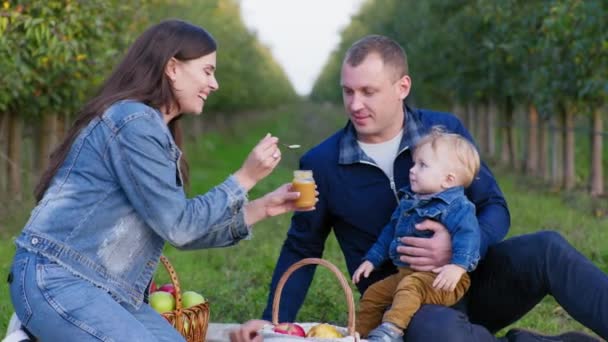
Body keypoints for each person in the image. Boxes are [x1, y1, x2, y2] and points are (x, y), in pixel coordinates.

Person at [262, 34, 608, 341]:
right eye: (348, 91)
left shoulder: (444, 131)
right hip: (405, 302)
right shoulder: (322, 163)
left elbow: (493, 206)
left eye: (368, 92)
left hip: (470, 277)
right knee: (436, 331)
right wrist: (270, 327)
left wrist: (458, 251)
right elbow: (302, 248)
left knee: (547, 248)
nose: (355, 104)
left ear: (402, 87)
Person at [7, 20, 314, 342]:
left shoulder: (152, 128)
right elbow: (180, 227)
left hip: (108, 290)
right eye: (207, 71)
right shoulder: (133, 122)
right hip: (58, 277)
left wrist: (263, 208)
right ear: (172, 68)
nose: (215, 84)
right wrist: (244, 177)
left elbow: (181, 228)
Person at [353, 129, 481, 341]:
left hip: (442, 279)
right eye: (414, 163)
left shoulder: (458, 207)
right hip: (407, 274)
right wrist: (372, 259)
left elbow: (469, 235)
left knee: (410, 288)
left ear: (448, 180)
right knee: (374, 293)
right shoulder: (410, 201)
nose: (412, 170)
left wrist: (458, 266)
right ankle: (358, 333)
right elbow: (390, 232)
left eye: (423, 165)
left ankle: (391, 331)